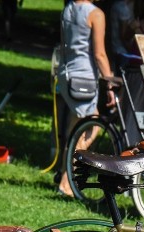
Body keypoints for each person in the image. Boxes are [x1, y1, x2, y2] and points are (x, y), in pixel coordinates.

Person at [56, 0, 116, 196]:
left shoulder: (68, 9)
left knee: (74, 129)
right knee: (90, 129)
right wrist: (110, 84)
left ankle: (64, 176)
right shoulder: (95, 14)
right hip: (84, 78)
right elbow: (99, 54)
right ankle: (66, 184)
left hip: (67, 74)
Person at [106, 0, 134, 67]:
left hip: (116, 48)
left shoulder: (116, 5)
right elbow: (123, 34)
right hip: (123, 51)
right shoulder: (122, 8)